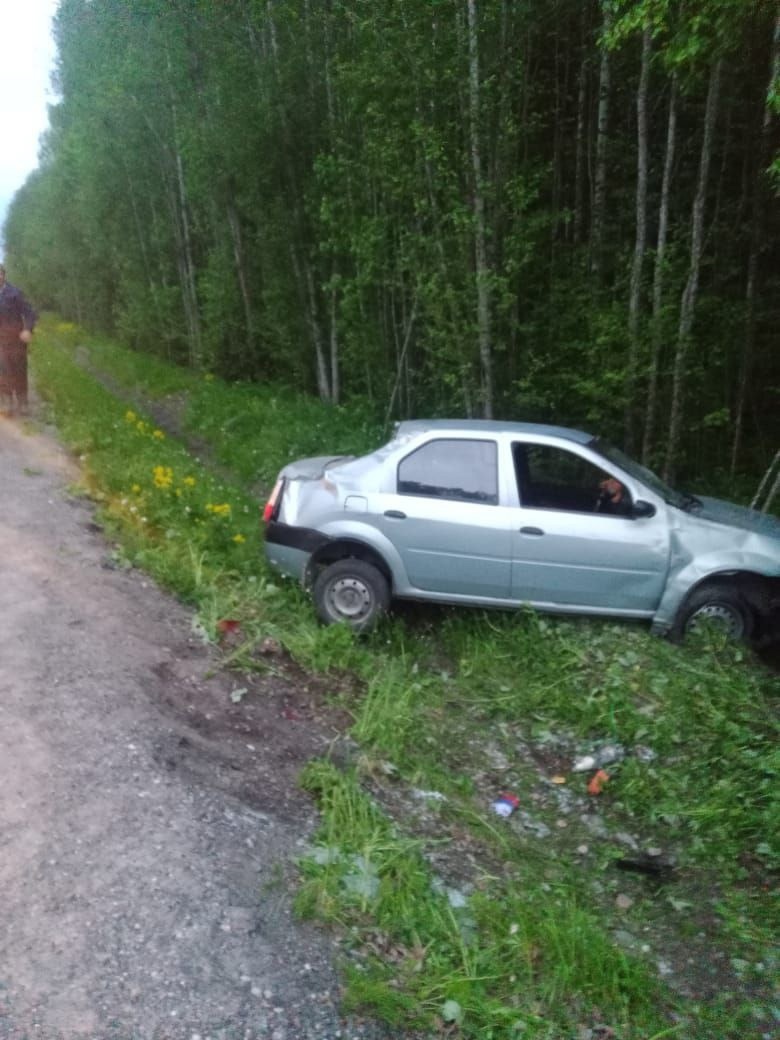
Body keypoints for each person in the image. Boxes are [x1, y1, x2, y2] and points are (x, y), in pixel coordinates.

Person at [0, 263, 37, 416]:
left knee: (19, 369)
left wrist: (27, 329)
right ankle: (7, 402)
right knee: (2, 370)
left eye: (0, 274)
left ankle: (22, 402)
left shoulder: (15, 293)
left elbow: (30, 313)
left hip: (16, 338)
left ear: (3, 275)